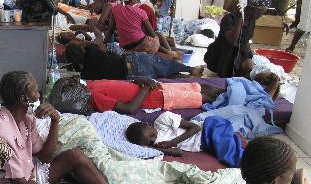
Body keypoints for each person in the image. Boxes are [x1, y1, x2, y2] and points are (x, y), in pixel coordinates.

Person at [0, 71, 180, 184]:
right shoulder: (1, 130)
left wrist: (56, 120)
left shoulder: (26, 119)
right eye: (34, 90)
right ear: (24, 98)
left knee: (75, 155)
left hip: (29, 175)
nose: (39, 93)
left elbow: (45, 157)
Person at [88, 71, 281, 114]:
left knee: (203, 87)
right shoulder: (94, 96)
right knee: (206, 97)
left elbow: (122, 89)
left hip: (157, 88)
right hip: (161, 97)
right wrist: (145, 86)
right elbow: (130, 108)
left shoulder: (92, 83)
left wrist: (138, 81)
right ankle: (260, 98)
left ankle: (254, 92)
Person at [125, 112, 245, 167]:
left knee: (232, 157)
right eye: (149, 142)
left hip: (209, 129)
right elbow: (179, 152)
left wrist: (173, 142)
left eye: (152, 135)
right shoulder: (156, 145)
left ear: (148, 124)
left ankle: (254, 166)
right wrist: (154, 147)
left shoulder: (162, 120)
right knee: (234, 152)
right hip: (207, 144)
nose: (153, 139)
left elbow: (195, 127)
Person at [204, 0, 272, 77]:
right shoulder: (229, 19)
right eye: (261, 11)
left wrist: (249, 55)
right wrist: (240, 18)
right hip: (223, 55)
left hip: (239, 52)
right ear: (254, 9)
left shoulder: (251, 20)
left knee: (252, 67)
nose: (262, 15)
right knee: (244, 70)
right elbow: (232, 41)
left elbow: (246, 40)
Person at [65, 43, 204, 80]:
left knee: (161, 76)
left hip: (131, 76)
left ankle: (183, 76)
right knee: (164, 64)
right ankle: (190, 69)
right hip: (132, 61)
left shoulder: (85, 74)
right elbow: (98, 43)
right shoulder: (91, 51)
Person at [105, 0, 178, 58]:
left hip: (125, 46)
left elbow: (110, 31)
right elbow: (152, 33)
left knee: (152, 38)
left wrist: (104, 44)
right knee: (157, 36)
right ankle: (169, 52)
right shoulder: (140, 12)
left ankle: (168, 51)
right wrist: (157, 40)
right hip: (142, 45)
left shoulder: (115, 9)